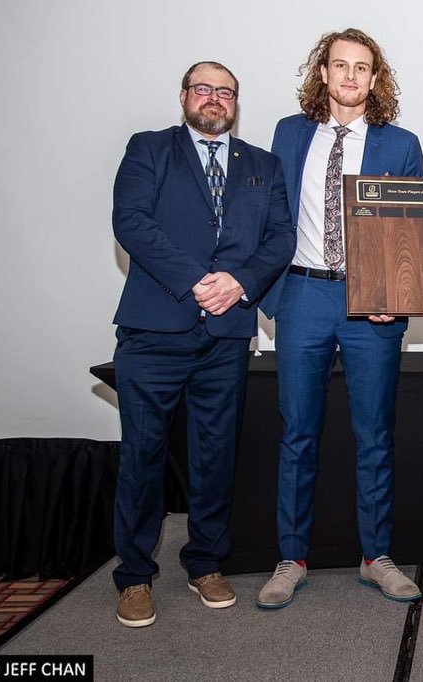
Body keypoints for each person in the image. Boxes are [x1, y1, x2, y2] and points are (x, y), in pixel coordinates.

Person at [111, 61, 295, 627]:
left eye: (226, 92)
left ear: (236, 103)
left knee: (215, 455)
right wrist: (196, 281)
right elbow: (131, 222)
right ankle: (134, 575)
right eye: (204, 89)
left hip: (226, 334)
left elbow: (280, 237)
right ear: (184, 96)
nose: (214, 99)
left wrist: (240, 282)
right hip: (154, 332)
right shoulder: (149, 149)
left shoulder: (262, 164)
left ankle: (206, 563)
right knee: (142, 455)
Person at [255, 28, 423, 609]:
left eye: (362, 67)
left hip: (370, 305)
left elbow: (411, 234)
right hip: (303, 295)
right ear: (323, 73)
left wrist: (396, 293)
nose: (350, 75)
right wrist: (266, 291)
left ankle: (376, 557)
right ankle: (291, 558)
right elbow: (270, 216)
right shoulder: (289, 133)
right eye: (340, 65)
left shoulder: (400, 144)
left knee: (374, 434)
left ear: (375, 79)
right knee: (297, 433)